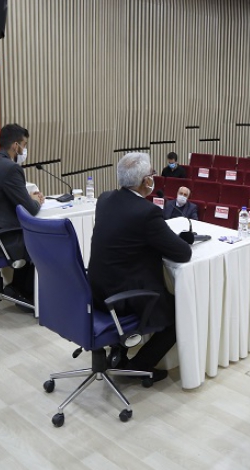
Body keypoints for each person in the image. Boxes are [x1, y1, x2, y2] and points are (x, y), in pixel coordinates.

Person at [89, 152, 192, 382]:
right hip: (124, 297)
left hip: (96, 290)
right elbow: (183, 253)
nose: (154, 178)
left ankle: (119, 352)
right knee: (180, 313)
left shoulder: (104, 199)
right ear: (146, 181)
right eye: (153, 174)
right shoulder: (147, 213)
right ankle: (139, 366)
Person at [0, 124, 44, 303]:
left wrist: (26, 197)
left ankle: (16, 288)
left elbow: (0, 198)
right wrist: (36, 200)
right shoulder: (11, 169)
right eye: (24, 144)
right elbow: (31, 209)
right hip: (2, 238)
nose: (24, 149)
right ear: (15, 146)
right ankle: (27, 294)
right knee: (40, 239)